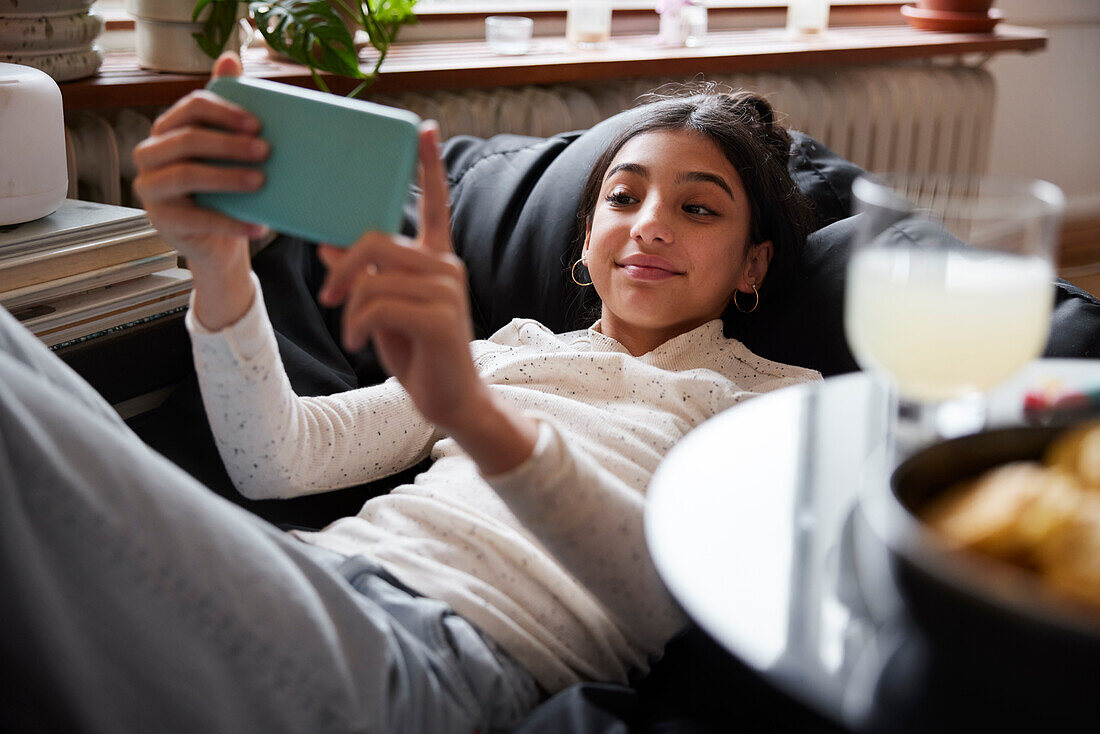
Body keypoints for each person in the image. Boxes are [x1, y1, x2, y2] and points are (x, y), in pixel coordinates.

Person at [1, 52, 821, 733]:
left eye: (698, 208)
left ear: (752, 265)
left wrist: (473, 414)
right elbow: (275, 461)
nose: (648, 223)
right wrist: (221, 268)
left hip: (430, 658)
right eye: (623, 196)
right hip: (308, 576)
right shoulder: (507, 352)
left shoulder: (772, 403)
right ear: (587, 238)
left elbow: (664, 606)